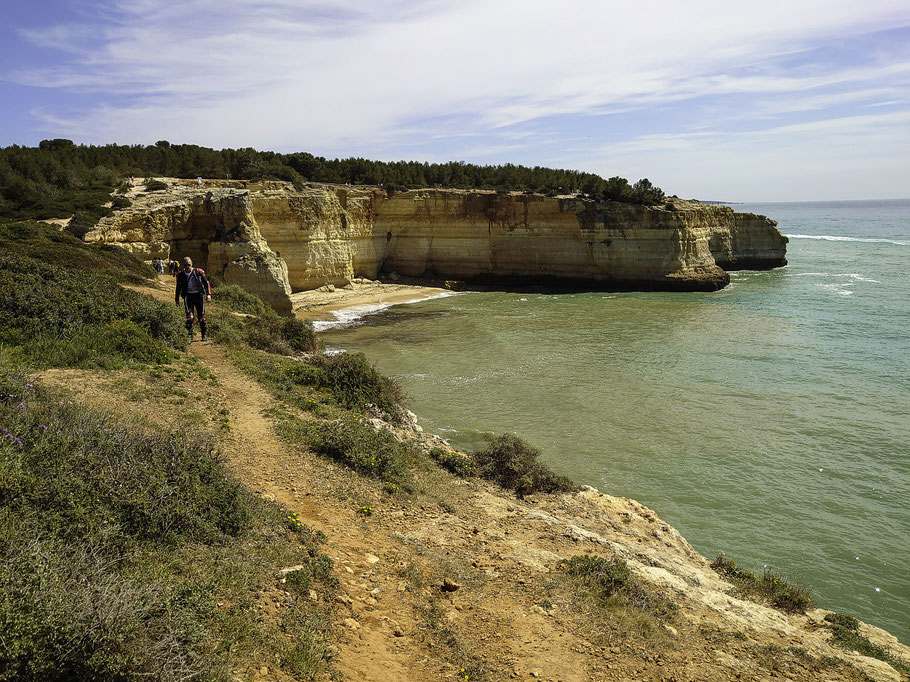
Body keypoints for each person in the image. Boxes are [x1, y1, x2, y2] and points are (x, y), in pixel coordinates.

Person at [175, 257, 211, 342]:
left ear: (192, 264)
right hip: (188, 297)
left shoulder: (199, 272)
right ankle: (189, 336)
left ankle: (204, 335)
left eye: (189, 265)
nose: (187, 267)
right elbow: (178, 287)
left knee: (201, 316)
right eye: (185, 265)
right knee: (189, 317)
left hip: (199, 296)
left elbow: (206, 283)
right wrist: (176, 299)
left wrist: (208, 294)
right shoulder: (180, 274)